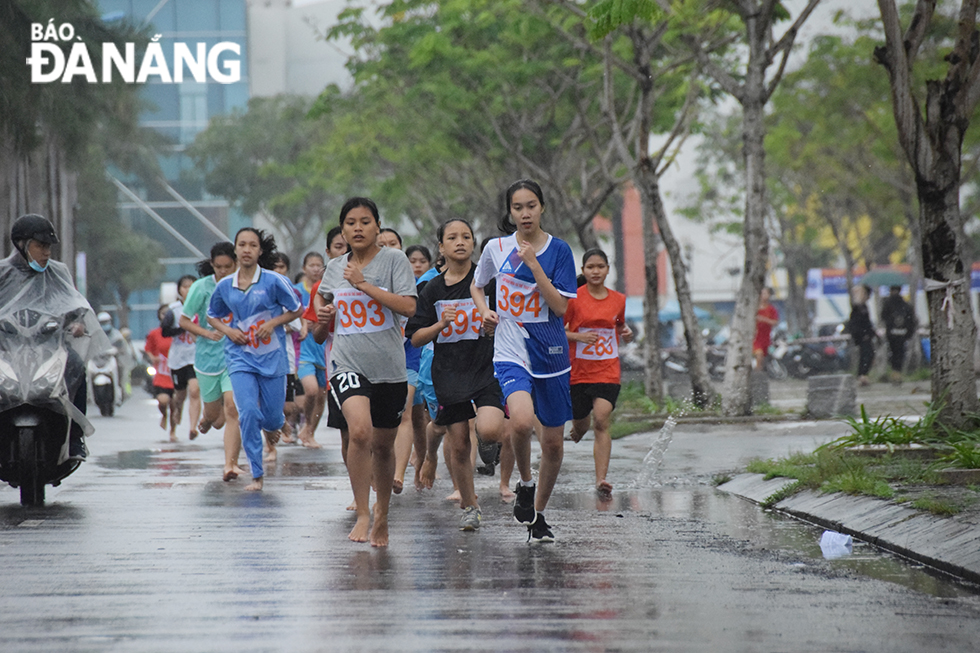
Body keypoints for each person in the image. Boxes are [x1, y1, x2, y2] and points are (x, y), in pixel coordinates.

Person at [471, 179, 577, 543]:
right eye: (518, 207)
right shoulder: (495, 248)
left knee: (553, 444)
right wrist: (486, 310)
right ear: (510, 212)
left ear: (542, 208)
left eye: (531, 205)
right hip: (510, 348)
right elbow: (477, 284)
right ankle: (525, 484)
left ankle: (539, 515)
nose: (525, 213)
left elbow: (561, 306)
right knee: (518, 422)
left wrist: (533, 265)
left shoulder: (559, 251)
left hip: (551, 353)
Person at [314, 197, 417, 547]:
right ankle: (362, 512)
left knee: (384, 447)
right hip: (347, 364)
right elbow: (319, 330)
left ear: (377, 227)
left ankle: (382, 514)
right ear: (342, 228)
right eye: (351, 223)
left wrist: (364, 284)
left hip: (389, 369)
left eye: (365, 222)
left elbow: (409, 306)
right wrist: (322, 321)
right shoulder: (334, 268)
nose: (357, 228)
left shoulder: (394, 261)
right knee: (360, 432)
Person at [407, 219, 506, 532]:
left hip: (485, 368)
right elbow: (416, 337)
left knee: (489, 430)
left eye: (466, 236)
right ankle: (470, 506)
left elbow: (511, 317)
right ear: (441, 247)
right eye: (452, 237)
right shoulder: (432, 289)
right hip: (449, 373)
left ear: (474, 243)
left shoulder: (488, 281)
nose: (460, 242)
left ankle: (491, 444)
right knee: (460, 444)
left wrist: (494, 325)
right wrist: (439, 326)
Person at [0, 214, 109, 461]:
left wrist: (78, 323)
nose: (46, 253)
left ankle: (76, 437)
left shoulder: (58, 272)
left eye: (49, 247)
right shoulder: (2, 274)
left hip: (49, 346)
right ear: (21, 244)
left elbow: (73, 304)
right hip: (6, 348)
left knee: (77, 367)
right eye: (40, 246)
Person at [207, 228, 303, 492]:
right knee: (247, 412)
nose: (247, 249)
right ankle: (257, 475)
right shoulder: (225, 285)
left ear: (260, 251)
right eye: (242, 245)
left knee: (272, 420)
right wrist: (228, 331)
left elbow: (297, 310)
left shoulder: (273, 281)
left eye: (252, 245)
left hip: (272, 358)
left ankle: (276, 424)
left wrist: (272, 323)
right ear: (236, 250)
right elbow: (212, 315)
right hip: (240, 358)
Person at [564, 248, 633, 497]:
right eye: (590, 267)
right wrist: (578, 336)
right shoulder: (573, 298)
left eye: (600, 266)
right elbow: (558, 331)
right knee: (581, 422)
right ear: (583, 271)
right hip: (579, 372)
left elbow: (620, 325)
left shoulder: (619, 299)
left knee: (602, 420)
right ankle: (579, 429)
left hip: (607, 370)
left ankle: (601, 479)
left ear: (607, 269)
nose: (595, 271)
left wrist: (626, 333)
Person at [179, 242, 244, 482]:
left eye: (228, 266)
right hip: (207, 359)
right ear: (212, 265)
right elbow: (184, 321)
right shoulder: (201, 287)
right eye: (218, 267)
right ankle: (205, 419)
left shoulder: (242, 284)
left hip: (235, 355)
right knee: (215, 417)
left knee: (232, 408)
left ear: (236, 263)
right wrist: (206, 333)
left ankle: (230, 464)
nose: (224, 272)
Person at [294, 252, 328, 449]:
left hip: (324, 350)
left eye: (319, 265)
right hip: (304, 349)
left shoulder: (327, 290)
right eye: (311, 265)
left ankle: (310, 432)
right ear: (304, 268)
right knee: (312, 391)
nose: (315, 268)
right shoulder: (296, 290)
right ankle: (305, 423)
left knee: (322, 395)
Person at [164, 275, 201, 440]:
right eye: (185, 287)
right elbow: (164, 332)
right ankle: (175, 415)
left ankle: (193, 428)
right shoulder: (173, 310)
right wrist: (183, 328)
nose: (188, 290)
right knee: (180, 396)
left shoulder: (201, 306)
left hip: (196, 356)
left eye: (192, 286)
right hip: (178, 359)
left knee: (195, 390)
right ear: (179, 290)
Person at [144, 305, 176, 440]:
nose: (166, 315)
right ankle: (164, 415)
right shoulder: (154, 333)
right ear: (159, 316)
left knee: (174, 404)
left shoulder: (178, 333)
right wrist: (153, 358)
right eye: (163, 313)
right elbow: (148, 349)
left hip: (175, 373)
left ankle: (173, 431)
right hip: (161, 374)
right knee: (163, 401)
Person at [880, 285, 917, 383]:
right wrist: (908, 333)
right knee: (899, 353)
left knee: (895, 353)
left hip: (894, 334)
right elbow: (911, 320)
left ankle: (895, 373)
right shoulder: (904, 304)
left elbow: (883, 317)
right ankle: (897, 373)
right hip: (901, 334)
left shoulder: (888, 304)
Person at [846, 284, 876, 386]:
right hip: (862, 337)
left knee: (869, 354)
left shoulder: (864, 307)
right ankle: (861, 375)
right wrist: (862, 334)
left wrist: (872, 333)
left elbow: (867, 323)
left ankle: (863, 375)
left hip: (866, 335)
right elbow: (856, 323)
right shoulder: (858, 308)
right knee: (866, 354)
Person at [753, 287, 779, 371]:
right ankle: (757, 373)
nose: (763, 296)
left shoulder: (771, 309)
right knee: (759, 354)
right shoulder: (754, 309)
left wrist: (764, 320)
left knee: (763, 358)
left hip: (765, 337)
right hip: (755, 337)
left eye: (765, 293)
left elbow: (775, 322)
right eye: (762, 293)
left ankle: (760, 373)